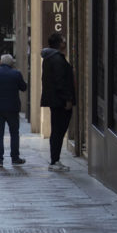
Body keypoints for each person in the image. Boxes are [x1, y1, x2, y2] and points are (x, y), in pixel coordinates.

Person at [41, 32, 77, 171]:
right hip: (60, 102)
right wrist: (67, 99)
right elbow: (60, 81)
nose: (66, 42)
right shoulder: (57, 59)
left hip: (55, 100)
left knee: (57, 130)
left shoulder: (51, 58)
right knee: (58, 131)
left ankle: (55, 160)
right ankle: (54, 161)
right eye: (64, 40)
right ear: (59, 43)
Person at [0, 54, 27, 168]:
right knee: (14, 133)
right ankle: (15, 158)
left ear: (0, 62)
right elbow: (23, 87)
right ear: (12, 63)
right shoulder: (16, 73)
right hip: (12, 108)